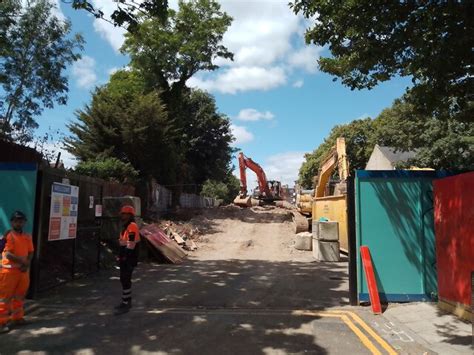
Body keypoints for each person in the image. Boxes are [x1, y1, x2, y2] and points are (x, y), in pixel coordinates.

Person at [0, 211, 34, 334]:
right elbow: (8, 254)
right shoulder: (9, 236)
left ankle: (17, 318)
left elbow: (30, 252)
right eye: (16, 221)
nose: (18, 223)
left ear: (24, 222)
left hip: (22, 271)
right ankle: (1, 322)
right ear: (12, 222)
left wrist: (27, 263)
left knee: (19, 296)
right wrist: (23, 262)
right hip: (8, 272)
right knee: (4, 298)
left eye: (20, 221)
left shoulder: (27, 236)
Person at [115, 205, 140, 315]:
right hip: (125, 256)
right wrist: (120, 255)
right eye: (122, 213)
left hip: (129, 257)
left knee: (125, 279)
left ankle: (126, 303)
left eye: (125, 214)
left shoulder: (132, 226)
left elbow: (131, 244)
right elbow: (123, 242)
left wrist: (125, 256)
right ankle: (126, 301)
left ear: (130, 215)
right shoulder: (126, 226)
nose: (123, 215)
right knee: (124, 279)